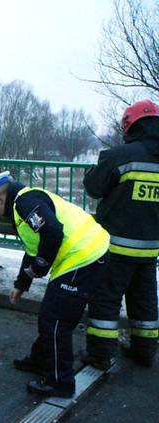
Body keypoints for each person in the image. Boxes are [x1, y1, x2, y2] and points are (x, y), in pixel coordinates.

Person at [0, 172, 109, 397]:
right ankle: (40, 360)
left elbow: (53, 232)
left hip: (84, 256)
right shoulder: (23, 205)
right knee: (51, 315)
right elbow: (34, 249)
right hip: (86, 254)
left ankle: (60, 383)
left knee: (55, 321)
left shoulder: (24, 203)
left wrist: (40, 266)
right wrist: (21, 284)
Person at [82, 99, 159, 369]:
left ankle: (101, 354)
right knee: (145, 302)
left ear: (130, 125)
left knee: (105, 299)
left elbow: (94, 187)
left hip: (115, 248)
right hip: (150, 250)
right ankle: (145, 351)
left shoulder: (120, 156)